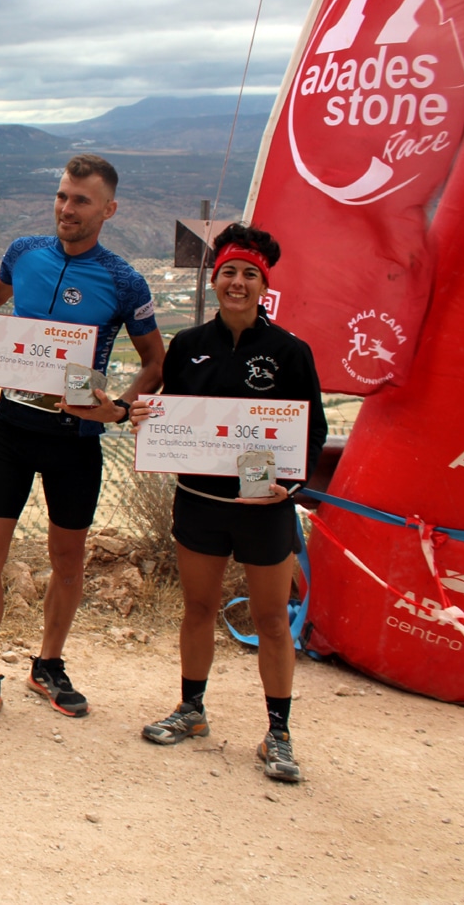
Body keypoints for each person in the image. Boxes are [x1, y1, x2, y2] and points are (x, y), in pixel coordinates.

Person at [0, 154, 164, 724]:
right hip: (11, 425)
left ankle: (48, 665)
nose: (67, 209)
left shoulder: (125, 279)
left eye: (81, 200)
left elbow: (155, 360)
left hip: (74, 437)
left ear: (108, 209)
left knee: (69, 561)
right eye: (61, 196)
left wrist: (121, 407)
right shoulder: (25, 251)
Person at [133, 223, 324, 783]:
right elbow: (167, 415)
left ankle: (278, 734)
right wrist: (144, 416)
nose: (237, 283)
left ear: (263, 285)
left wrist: (296, 481)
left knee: (269, 619)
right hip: (198, 501)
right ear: (215, 281)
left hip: (264, 509)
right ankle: (191, 710)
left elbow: (311, 429)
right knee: (197, 609)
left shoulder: (290, 351)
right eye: (229, 273)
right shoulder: (189, 347)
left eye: (249, 274)